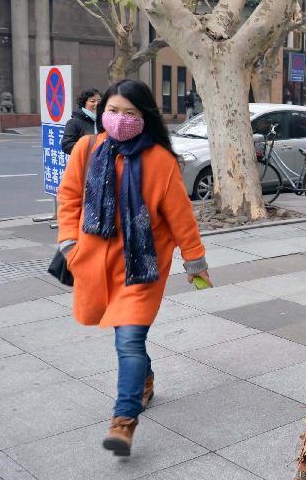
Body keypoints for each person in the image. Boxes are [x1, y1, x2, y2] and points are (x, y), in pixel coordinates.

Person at [57, 79, 210, 457]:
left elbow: (181, 218)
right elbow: (70, 196)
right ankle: (145, 379)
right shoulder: (87, 149)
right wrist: (68, 244)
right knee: (127, 339)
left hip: (141, 268)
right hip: (95, 264)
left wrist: (195, 263)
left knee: (128, 339)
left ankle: (123, 423)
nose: (120, 119)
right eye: (113, 111)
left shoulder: (161, 161)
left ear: (144, 118)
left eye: (130, 113)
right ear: (101, 112)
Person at [61, 88, 101, 154]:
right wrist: (90, 148)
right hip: (84, 162)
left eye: (99, 101)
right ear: (84, 103)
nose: (97, 104)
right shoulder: (74, 122)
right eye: (92, 101)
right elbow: (67, 146)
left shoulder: (103, 120)